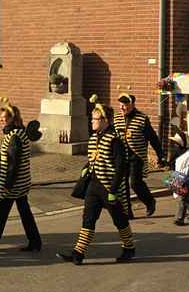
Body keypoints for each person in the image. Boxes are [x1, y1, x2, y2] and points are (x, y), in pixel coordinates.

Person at [57, 96, 135, 265]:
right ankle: (78, 253)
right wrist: (86, 167)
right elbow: (94, 157)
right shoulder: (93, 138)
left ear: (105, 121)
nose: (91, 121)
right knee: (88, 219)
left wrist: (114, 191)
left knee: (119, 220)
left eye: (95, 119)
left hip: (109, 188)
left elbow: (121, 168)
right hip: (94, 185)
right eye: (91, 118)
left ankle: (129, 248)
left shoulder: (115, 140)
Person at [0, 97, 42, 252]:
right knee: (24, 213)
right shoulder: (19, 133)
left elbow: (13, 163)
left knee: (2, 213)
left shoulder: (14, 137)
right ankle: (35, 242)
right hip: (21, 182)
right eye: (1, 119)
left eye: (4, 118)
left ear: (12, 118)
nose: (1, 121)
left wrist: (7, 184)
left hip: (14, 184)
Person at [113, 92, 166, 217]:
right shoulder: (116, 118)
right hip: (121, 156)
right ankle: (127, 211)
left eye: (125, 104)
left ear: (131, 104)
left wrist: (160, 155)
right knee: (122, 184)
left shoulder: (141, 118)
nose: (122, 107)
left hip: (136, 156)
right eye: (120, 104)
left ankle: (149, 201)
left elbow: (153, 138)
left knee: (135, 183)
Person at [167, 132, 189, 226]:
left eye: (176, 143)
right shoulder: (176, 152)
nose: (175, 145)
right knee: (187, 197)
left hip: (187, 179)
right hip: (176, 177)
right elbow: (172, 164)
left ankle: (180, 218)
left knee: (182, 198)